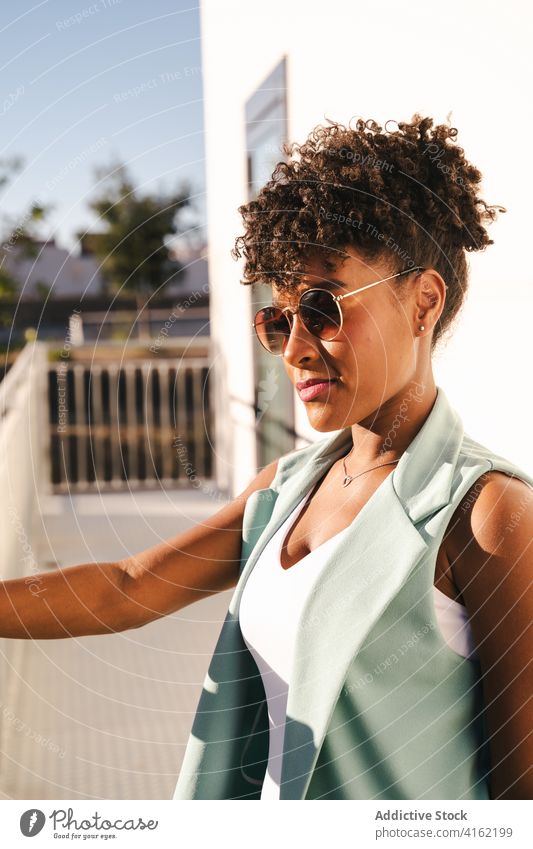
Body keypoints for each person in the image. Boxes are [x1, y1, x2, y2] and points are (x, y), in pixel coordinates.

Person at [1, 114, 532, 801]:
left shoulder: (489, 514)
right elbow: (128, 586)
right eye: (276, 319)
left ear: (423, 300)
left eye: (322, 307)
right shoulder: (285, 489)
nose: (294, 347)